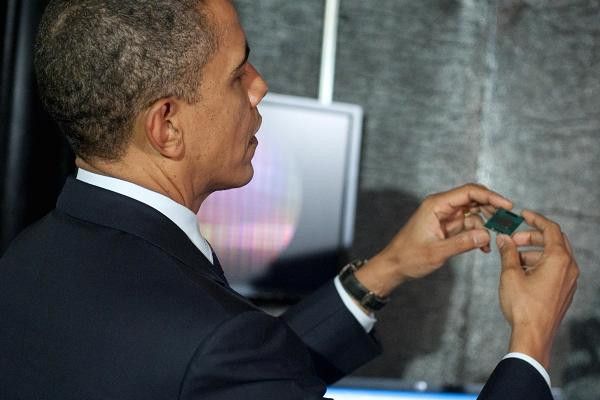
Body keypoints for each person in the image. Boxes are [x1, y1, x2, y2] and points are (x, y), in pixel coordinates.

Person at [0, 1, 578, 399]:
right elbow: (223, 360)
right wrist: (531, 340)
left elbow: (236, 372)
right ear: (166, 126)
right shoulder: (213, 342)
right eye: (237, 73)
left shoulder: (26, 260)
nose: (260, 85)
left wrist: (388, 269)